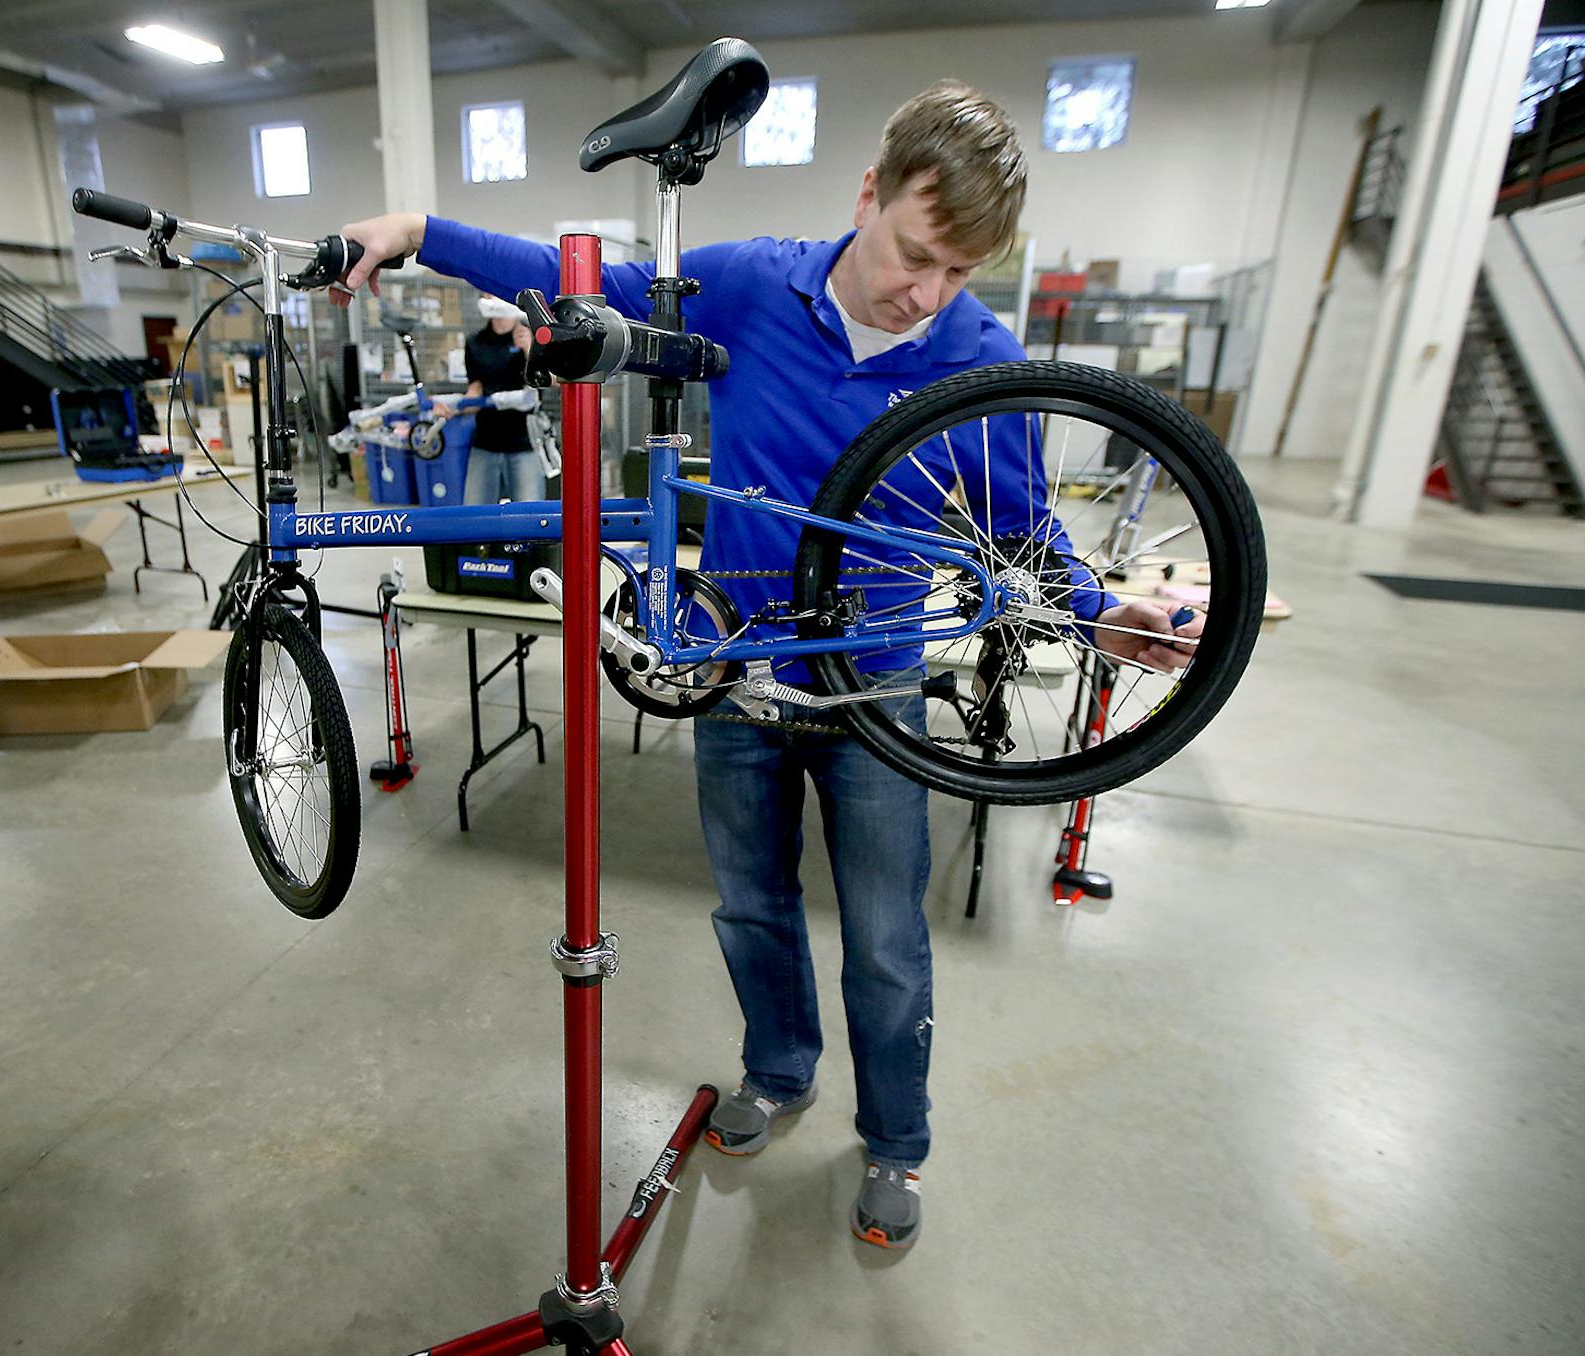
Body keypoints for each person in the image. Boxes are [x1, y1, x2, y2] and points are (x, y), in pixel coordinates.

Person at [336, 81, 1201, 1251]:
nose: (926, 293)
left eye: (960, 272)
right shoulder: (749, 284)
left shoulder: (983, 357)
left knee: (890, 939)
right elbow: (584, 279)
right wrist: (421, 232)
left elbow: (1022, 536)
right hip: (735, 672)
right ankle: (780, 1069)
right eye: (915, 252)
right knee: (751, 905)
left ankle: (895, 1141)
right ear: (868, 196)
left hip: (875, 687)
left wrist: (1104, 617)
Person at [447, 297, 543, 503]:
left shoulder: (532, 337)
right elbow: (475, 389)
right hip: (486, 441)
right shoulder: (476, 342)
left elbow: (544, 384)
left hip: (524, 442)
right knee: (474, 513)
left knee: (530, 516)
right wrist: (452, 408)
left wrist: (530, 351)